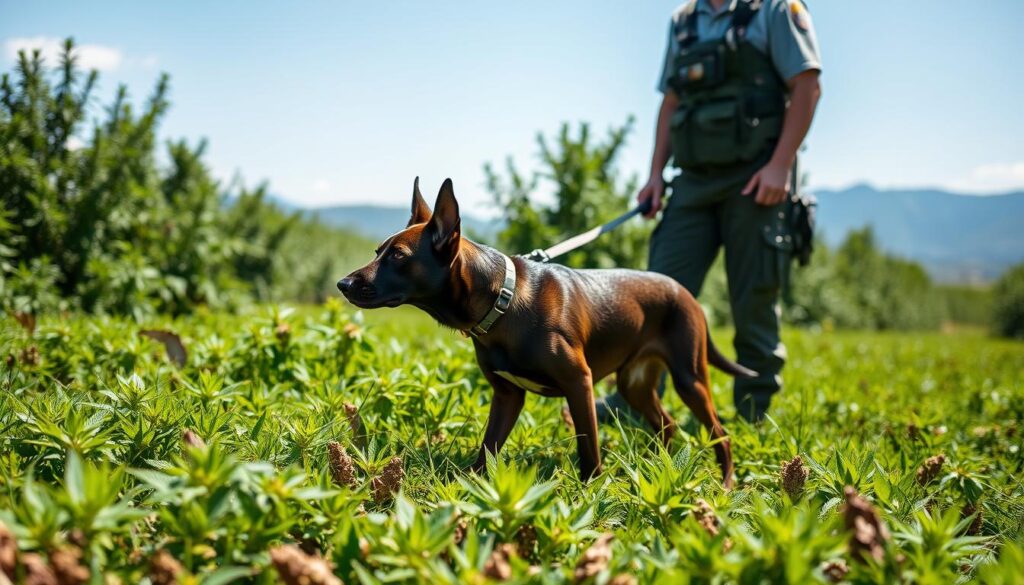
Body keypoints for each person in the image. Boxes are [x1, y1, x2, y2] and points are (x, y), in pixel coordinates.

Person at [598, 0, 822, 422]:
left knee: (753, 299)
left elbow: (807, 86)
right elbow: (671, 102)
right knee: (653, 293)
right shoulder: (684, 21)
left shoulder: (775, 10)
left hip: (757, 181)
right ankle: (636, 402)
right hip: (693, 184)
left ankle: (755, 410)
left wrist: (780, 168)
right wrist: (654, 175)